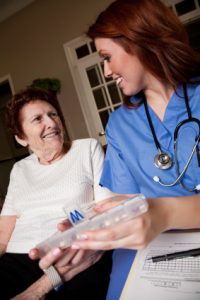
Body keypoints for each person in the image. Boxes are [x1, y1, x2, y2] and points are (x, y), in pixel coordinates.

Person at [34, 1, 200, 299]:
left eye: (108, 57)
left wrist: (165, 211)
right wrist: (94, 228)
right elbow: (127, 199)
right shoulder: (120, 124)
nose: (107, 71)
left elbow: (153, 208)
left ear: (141, 41)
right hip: (153, 250)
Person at [0, 87, 114, 300]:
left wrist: (41, 287)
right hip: (17, 258)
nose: (51, 123)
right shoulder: (20, 169)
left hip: (72, 252)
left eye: (53, 114)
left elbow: (106, 212)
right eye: (37, 119)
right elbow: (3, 236)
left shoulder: (87, 149)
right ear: (22, 138)